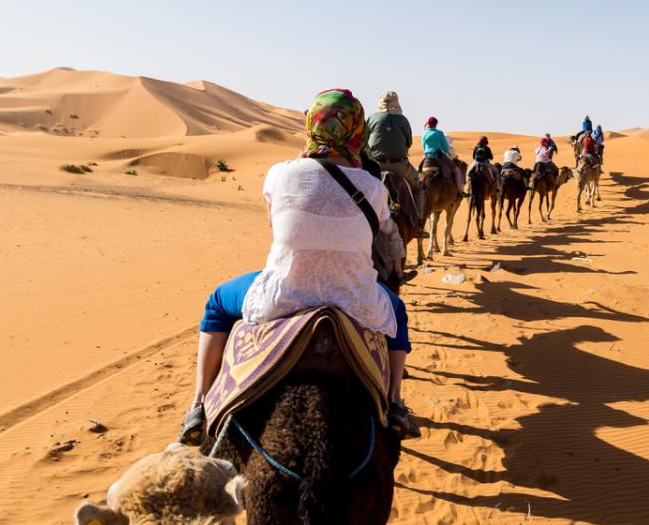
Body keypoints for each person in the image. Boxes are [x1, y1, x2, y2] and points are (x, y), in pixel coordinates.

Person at [179, 89, 420, 445]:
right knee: (397, 312)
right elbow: (383, 236)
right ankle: (396, 402)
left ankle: (198, 404)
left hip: (283, 293)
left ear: (312, 124)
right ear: (357, 131)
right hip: (355, 297)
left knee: (217, 303)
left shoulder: (279, 174)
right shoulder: (373, 186)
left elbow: (274, 226)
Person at [365, 90, 426, 234]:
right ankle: (418, 224)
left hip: (375, 165)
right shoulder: (403, 120)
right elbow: (408, 143)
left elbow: (365, 142)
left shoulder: (372, 118)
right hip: (400, 166)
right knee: (418, 188)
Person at [421, 116, 466, 194]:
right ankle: (460, 191)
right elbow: (446, 148)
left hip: (426, 156)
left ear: (428, 123)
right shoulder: (439, 133)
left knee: (418, 172)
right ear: (436, 124)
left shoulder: (424, 133)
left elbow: (423, 146)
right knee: (456, 170)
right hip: (438, 155)